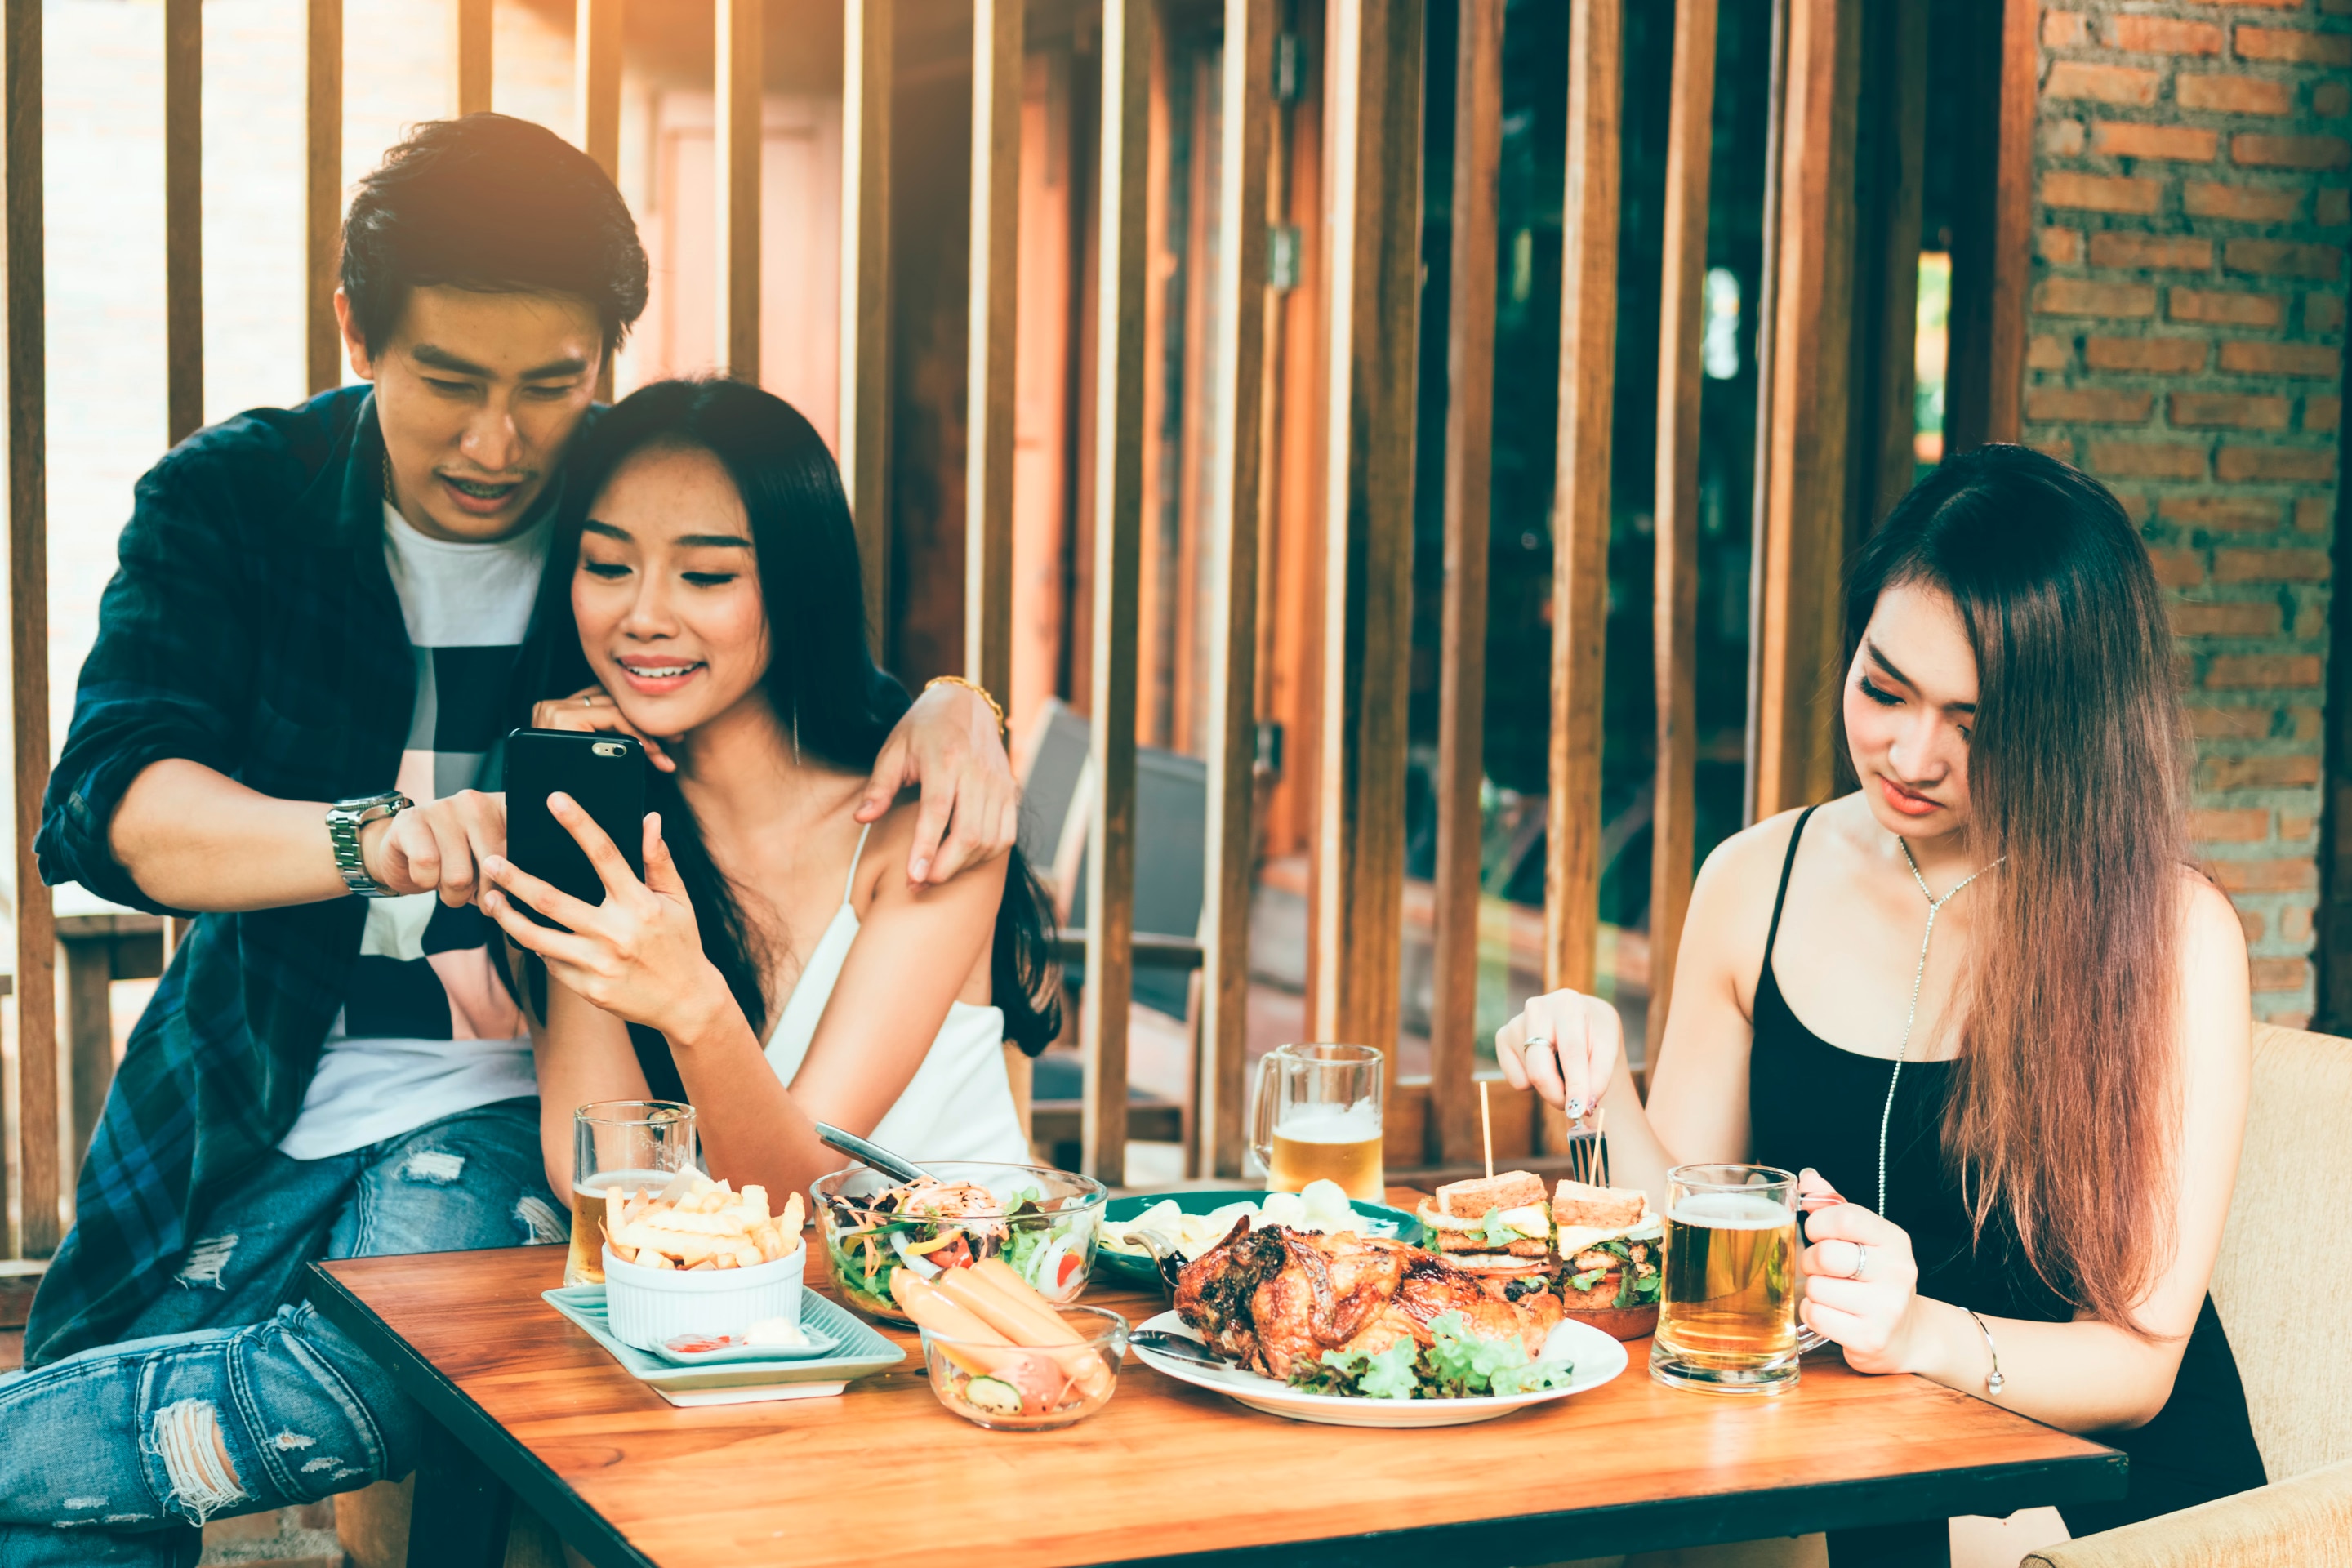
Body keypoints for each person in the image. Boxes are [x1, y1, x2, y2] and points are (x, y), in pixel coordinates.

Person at [1, 115, 1015, 1566]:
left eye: (550, 387)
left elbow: (786, 643)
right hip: (257, 1077)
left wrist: (960, 702)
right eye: (449, 382)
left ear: (605, 360)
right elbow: (115, 812)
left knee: (414, 1365)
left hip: (520, 1103)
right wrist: (383, 838)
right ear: (358, 328)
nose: (499, 445)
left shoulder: (613, 503)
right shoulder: (240, 505)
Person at [1495, 446, 2265, 1566]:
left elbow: (2139, 1368)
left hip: (2106, 1506)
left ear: (2069, 727)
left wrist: (1915, 1333)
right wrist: (1604, 1091)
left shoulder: (2172, 934)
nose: (1909, 754)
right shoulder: (1753, 881)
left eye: (1974, 721)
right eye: (1883, 688)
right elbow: (1691, 1249)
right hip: (1855, 1476)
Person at [480, 377, 1058, 1203]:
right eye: (608, 565)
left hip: (963, 1310)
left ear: (798, 588)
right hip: (743, 1329)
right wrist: (574, 831)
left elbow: (799, 1194)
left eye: (707, 576)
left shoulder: (924, 828)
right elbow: (598, 1187)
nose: (643, 615)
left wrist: (693, 1002)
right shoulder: (584, 838)